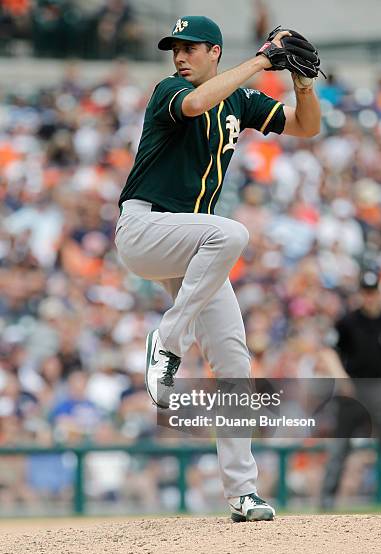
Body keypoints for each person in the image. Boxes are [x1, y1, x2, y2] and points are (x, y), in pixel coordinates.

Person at [115, 16, 321, 522]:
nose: (180, 57)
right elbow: (196, 103)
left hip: (190, 246)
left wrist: (300, 80)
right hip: (145, 230)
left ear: (214, 51)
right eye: (175, 49)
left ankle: (241, 493)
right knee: (231, 232)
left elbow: (306, 126)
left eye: (190, 48)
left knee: (233, 363)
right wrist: (260, 60)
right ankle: (168, 340)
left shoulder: (240, 100)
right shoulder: (169, 90)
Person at [320, 271, 381, 508]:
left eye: (373, 293)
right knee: (340, 447)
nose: (369, 298)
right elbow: (328, 350)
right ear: (361, 295)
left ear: (379, 293)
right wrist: (341, 377)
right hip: (354, 390)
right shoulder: (348, 322)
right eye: (365, 293)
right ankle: (326, 501)